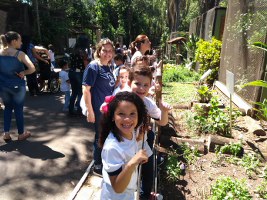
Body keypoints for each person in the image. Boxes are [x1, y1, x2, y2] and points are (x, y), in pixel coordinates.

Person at [129, 63, 172, 199]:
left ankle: (145, 195)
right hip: (124, 146)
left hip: (142, 145)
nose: (141, 88)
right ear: (130, 82)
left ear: (150, 86)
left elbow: (162, 121)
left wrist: (164, 111)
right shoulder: (122, 100)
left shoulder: (148, 103)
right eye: (137, 84)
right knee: (129, 176)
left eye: (145, 85)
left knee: (148, 172)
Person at [99, 91, 149, 199]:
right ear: (113, 116)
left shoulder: (131, 131)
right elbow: (118, 188)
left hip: (129, 192)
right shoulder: (112, 148)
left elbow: (130, 146)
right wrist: (133, 162)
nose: (127, 119)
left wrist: (139, 140)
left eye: (132, 113)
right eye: (121, 114)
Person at [82, 38, 116, 176]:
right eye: (104, 50)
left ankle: (104, 159)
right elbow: (85, 89)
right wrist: (90, 111)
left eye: (110, 51)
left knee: (106, 134)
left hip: (108, 109)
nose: (107, 53)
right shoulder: (93, 66)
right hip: (97, 108)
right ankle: (97, 164)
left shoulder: (108, 66)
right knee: (100, 135)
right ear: (98, 51)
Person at [0, 31, 35, 142]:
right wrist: (23, 73)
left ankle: (6, 133)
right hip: (17, 86)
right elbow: (32, 68)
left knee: (7, 108)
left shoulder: (0, 52)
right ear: (14, 41)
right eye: (20, 40)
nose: (21, 42)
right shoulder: (20, 54)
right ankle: (21, 134)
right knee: (18, 109)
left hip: (4, 85)